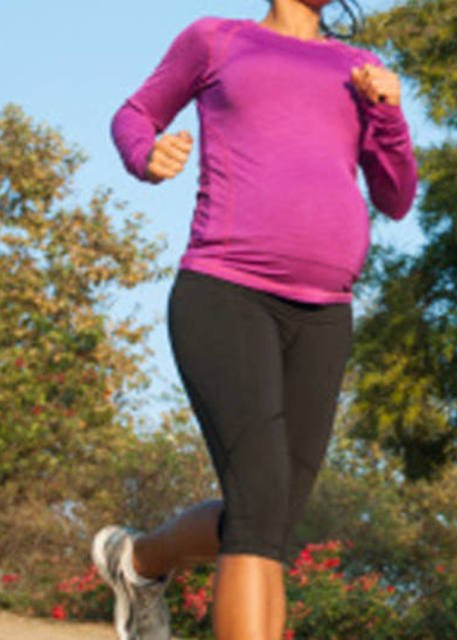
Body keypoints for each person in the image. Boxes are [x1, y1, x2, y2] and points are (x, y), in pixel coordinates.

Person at [90, 0, 418, 637]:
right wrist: (145, 154)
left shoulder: (361, 68)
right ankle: (135, 561)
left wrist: (391, 114)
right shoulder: (217, 41)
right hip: (225, 293)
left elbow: (395, 198)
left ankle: (136, 560)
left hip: (326, 315)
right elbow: (135, 113)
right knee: (260, 506)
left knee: (266, 521)